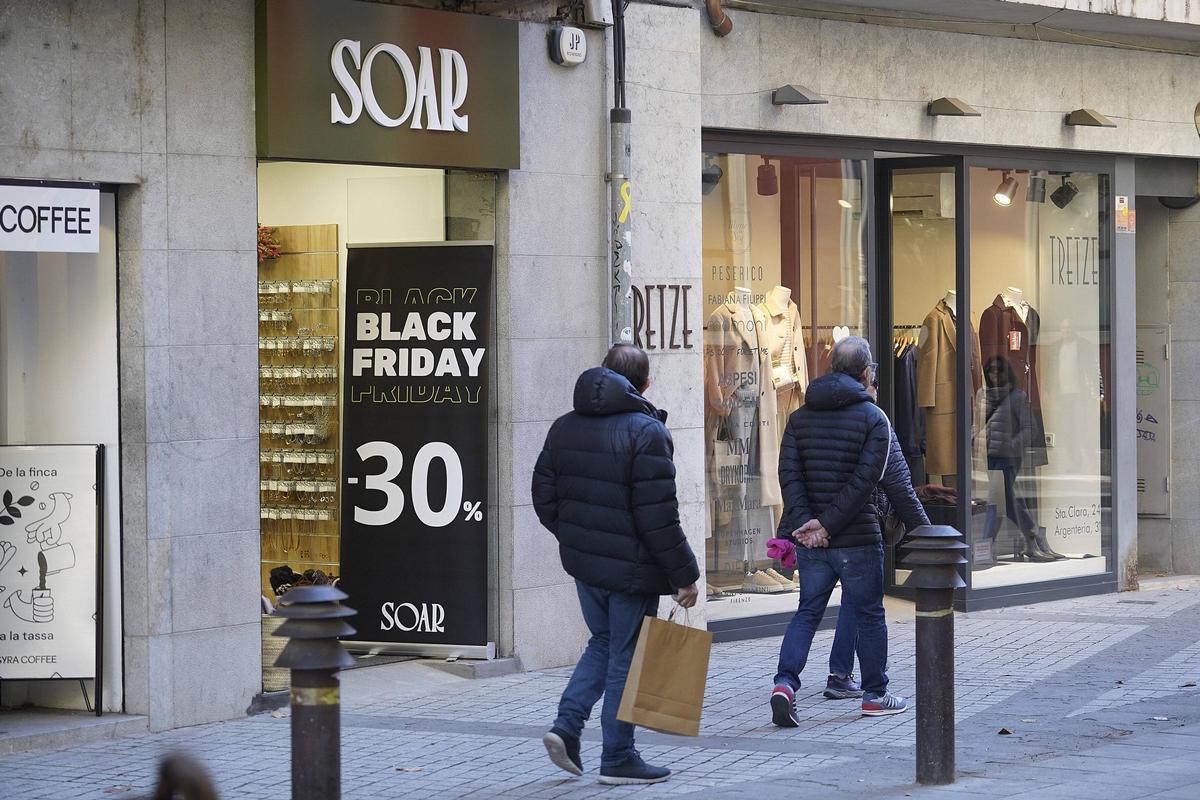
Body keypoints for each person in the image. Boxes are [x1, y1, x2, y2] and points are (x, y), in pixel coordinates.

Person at [532, 344, 700, 785]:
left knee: (604, 642)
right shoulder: (645, 432)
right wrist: (684, 574)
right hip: (631, 569)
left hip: (586, 565)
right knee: (623, 653)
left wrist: (575, 538)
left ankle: (567, 727)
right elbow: (659, 515)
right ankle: (618, 756)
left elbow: (543, 497)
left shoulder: (564, 427)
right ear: (643, 384)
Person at [770, 335, 910, 725]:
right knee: (869, 615)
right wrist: (827, 524)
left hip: (812, 540)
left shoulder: (799, 417)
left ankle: (784, 683)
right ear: (866, 373)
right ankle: (875, 694)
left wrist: (807, 525)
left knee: (806, 613)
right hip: (858, 539)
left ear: (831, 368)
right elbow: (866, 482)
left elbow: (789, 476)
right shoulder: (874, 418)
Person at [821, 372, 930, 701]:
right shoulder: (875, 420)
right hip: (862, 527)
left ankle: (816, 676)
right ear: (866, 380)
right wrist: (927, 533)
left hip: (824, 527)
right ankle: (852, 681)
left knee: (820, 607)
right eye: (876, 381)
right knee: (862, 604)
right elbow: (899, 484)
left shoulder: (816, 418)